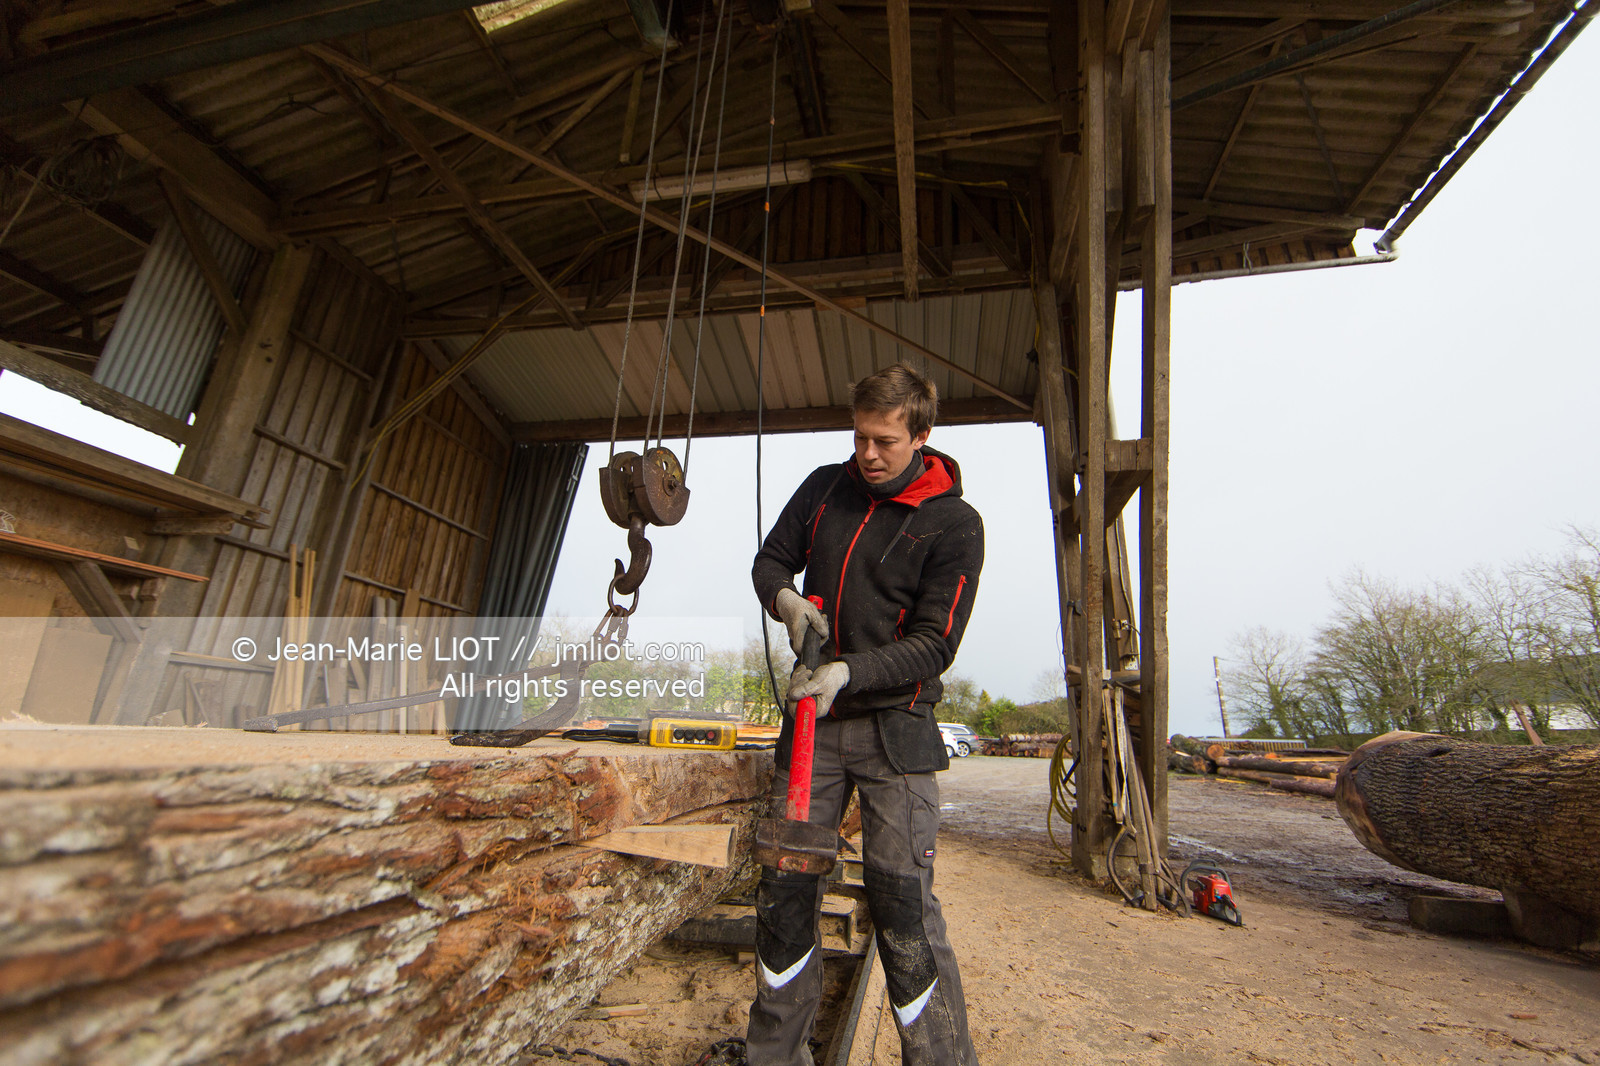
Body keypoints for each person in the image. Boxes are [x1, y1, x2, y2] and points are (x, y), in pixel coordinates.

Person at [746, 364, 983, 1066]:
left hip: (896, 734)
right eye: (859, 437)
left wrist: (852, 670)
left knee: (902, 906)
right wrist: (785, 601)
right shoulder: (824, 487)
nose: (868, 453)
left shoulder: (954, 524)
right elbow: (770, 562)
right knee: (786, 895)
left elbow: (936, 642)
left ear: (922, 435)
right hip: (811, 729)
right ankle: (774, 1059)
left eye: (884, 440)